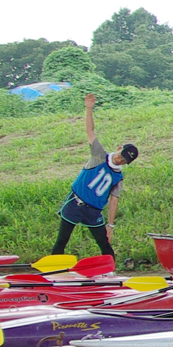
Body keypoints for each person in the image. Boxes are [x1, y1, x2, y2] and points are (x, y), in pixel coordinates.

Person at [52, 93, 137, 257]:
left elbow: (114, 201)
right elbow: (90, 131)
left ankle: (110, 271)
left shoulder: (118, 177)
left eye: (124, 160)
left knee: (104, 243)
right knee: (62, 239)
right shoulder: (99, 155)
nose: (120, 160)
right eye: (121, 155)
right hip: (75, 203)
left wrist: (110, 225)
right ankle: (54, 271)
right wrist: (89, 109)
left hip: (94, 211)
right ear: (119, 148)